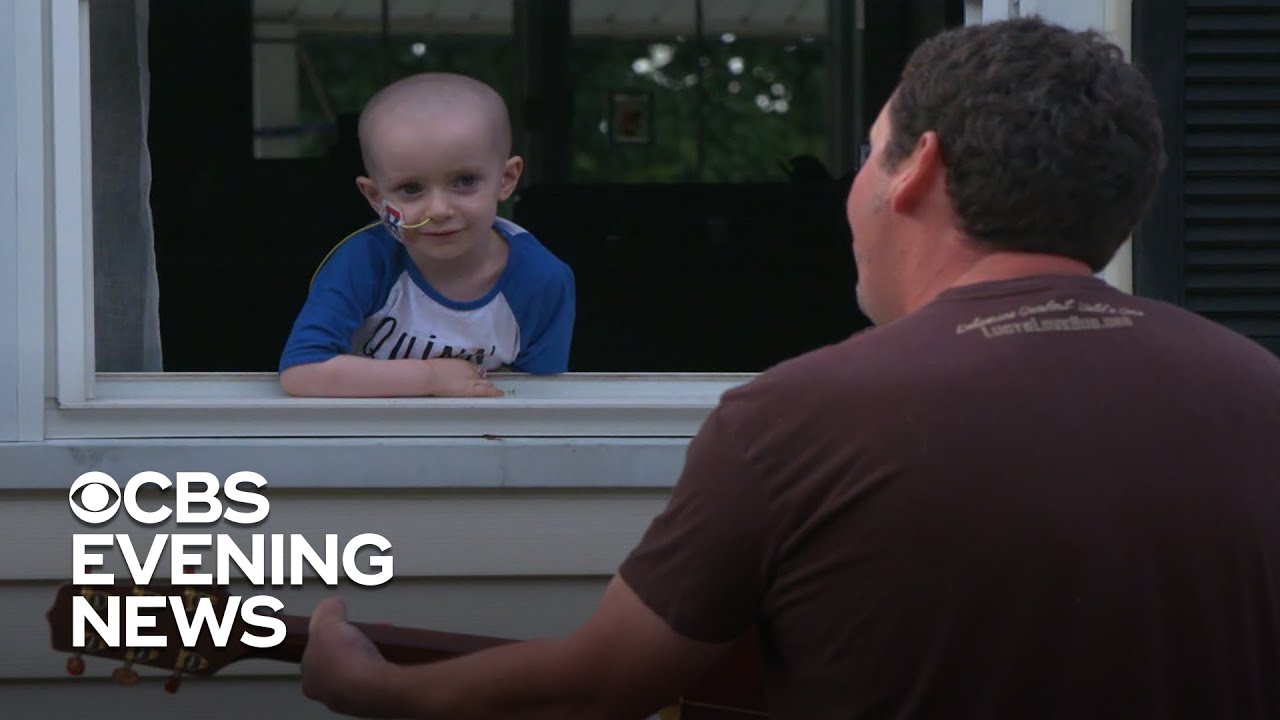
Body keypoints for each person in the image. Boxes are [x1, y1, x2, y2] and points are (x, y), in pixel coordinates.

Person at [299, 17, 1280, 719]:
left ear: (915, 172)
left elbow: (601, 686)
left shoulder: (796, 421)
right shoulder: (1258, 395)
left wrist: (375, 689)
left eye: (864, 153)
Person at [279, 73, 575, 397]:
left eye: (464, 181)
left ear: (506, 179)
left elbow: (543, 401)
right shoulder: (364, 262)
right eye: (410, 189)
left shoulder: (541, 280)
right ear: (376, 198)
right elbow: (302, 371)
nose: (438, 209)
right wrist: (429, 379)